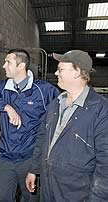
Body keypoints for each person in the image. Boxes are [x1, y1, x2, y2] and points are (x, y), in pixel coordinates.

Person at [26, 50, 108, 201]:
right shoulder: (55, 104)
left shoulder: (101, 110)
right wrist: (34, 169)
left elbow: (105, 162)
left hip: (76, 193)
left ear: (77, 72)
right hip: (48, 185)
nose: (56, 73)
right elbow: (42, 138)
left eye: (61, 69)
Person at [0, 49, 59, 202]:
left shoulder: (44, 90)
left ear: (21, 66)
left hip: (30, 158)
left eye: (8, 62)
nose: (3, 66)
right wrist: (7, 107)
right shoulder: (2, 87)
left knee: (31, 197)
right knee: (2, 197)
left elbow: (59, 115)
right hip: (6, 156)